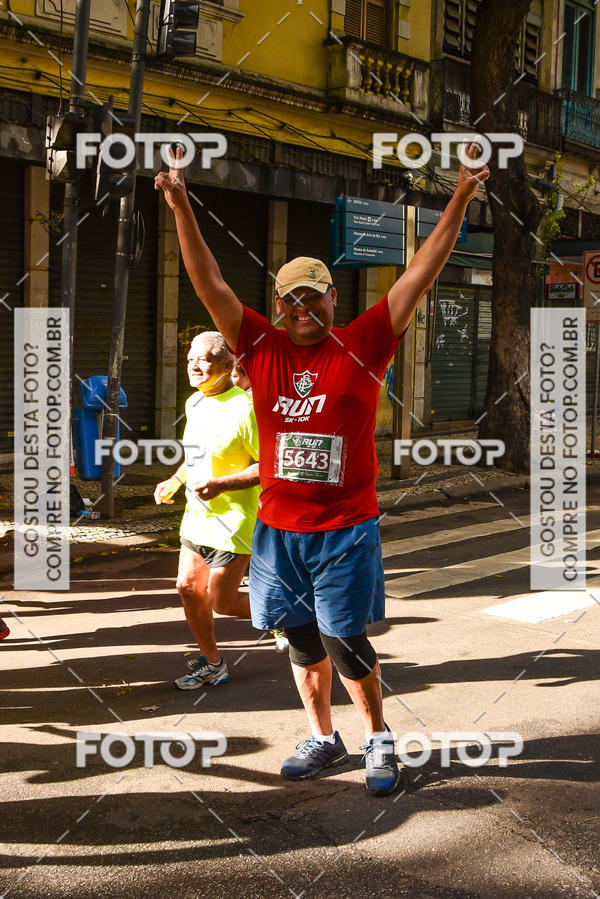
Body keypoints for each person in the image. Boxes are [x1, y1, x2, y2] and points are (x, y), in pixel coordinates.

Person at [155, 142, 489, 793]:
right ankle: (322, 735)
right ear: (277, 306)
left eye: (313, 298)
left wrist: (461, 195)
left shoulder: (364, 342)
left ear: (333, 297)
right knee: (302, 643)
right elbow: (208, 283)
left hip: (345, 528)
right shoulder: (260, 344)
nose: (302, 311)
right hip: (279, 533)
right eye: (290, 301)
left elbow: (418, 273)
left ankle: (379, 737)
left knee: (345, 640)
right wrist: (178, 202)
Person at [154, 330, 261, 689]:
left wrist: (221, 485)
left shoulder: (246, 409)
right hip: (197, 516)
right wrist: (176, 480)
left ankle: (284, 616)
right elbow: (197, 455)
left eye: (205, 359)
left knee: (222, 601)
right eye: (190, 360)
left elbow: (269, 466)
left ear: (229, 365)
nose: (194, 365)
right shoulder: (194, 404)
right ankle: (212, 663)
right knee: (186, 586)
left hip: (234, 519)